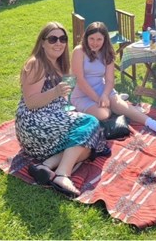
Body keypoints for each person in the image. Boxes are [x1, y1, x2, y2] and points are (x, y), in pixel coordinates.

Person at [15, 22, 108, 197]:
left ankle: (45, 166)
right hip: (34, 125)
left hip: (50, 119)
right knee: (91, 122)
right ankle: (63, 174)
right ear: (42, 43)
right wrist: (56, 91)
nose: (59, 43)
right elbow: (31, 102)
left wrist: (63, 100)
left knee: (88, 145)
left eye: (63, 39)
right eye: (53, 39)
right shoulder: (36, 63)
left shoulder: (59, 63)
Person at [71, 22, 156, 139]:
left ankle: (155, 125)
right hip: (82, 94)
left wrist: (104, 95)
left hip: (101, 89)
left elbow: (109, 80)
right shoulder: (79, 51)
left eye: (99, 39)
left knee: (119, 106)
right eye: (91, 38)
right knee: (104, 114)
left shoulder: (107, 52)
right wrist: (99, 99)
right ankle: (115, 103)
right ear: (86, 37)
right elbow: (80, 80)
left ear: (105, 40)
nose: (95, 43)